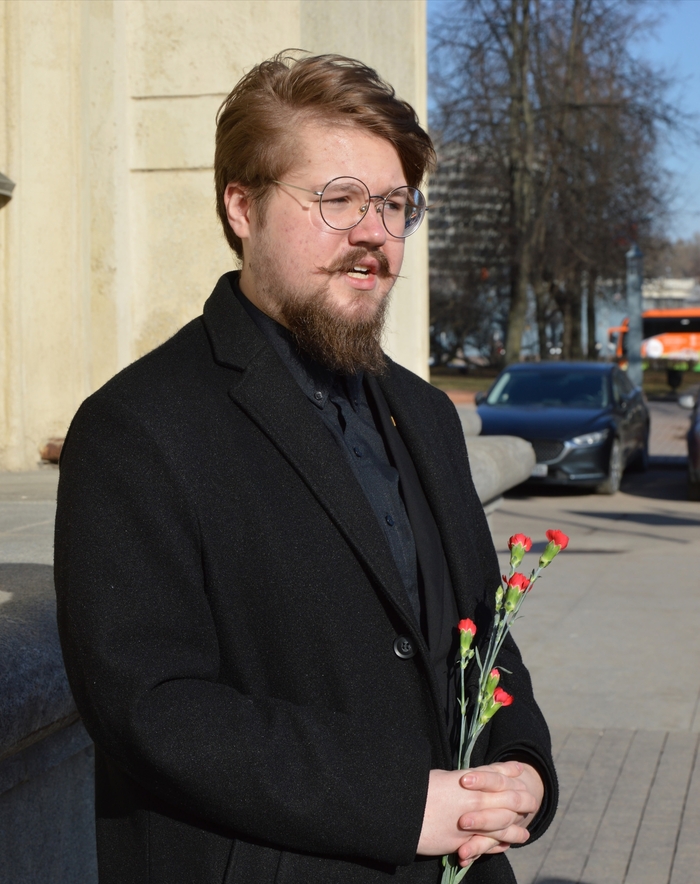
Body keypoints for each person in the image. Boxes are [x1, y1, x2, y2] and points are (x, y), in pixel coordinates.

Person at [54, 52, 557, 884]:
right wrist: (400, 801)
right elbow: (151, 706)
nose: (374, 234)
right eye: (339, 199)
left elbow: (481, 630)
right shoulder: (135, 426)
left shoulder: (427, 415)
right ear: (242, 206)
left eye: (394, 205)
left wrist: (523, 762)